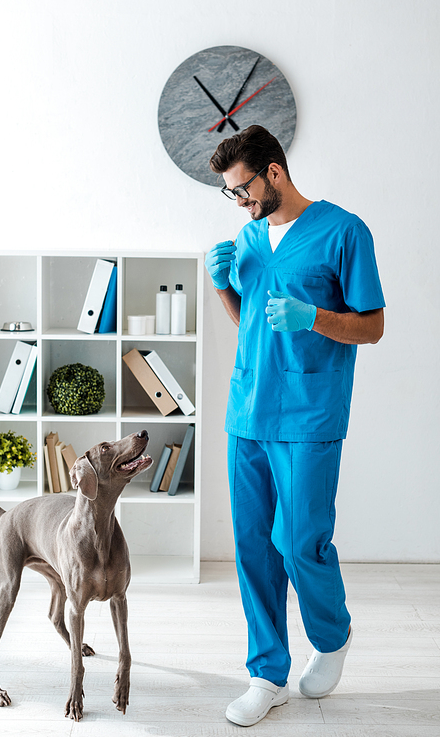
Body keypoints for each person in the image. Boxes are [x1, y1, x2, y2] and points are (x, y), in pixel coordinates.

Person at [205, 125, 385, 728]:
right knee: (254, 547)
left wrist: (312, 316)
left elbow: (372, 326)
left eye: (244, 189)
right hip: (248, 412)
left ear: (274, 172)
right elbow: (248, 321)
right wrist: (225, 286)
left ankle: (332, 635)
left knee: (301, 541)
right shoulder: (249, 237)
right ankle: (266, 672)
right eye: (232, 194)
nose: (241, 203)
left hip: (309, 413)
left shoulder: (343, 232)